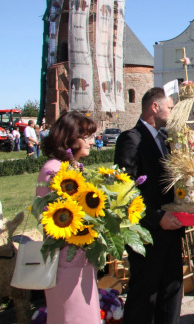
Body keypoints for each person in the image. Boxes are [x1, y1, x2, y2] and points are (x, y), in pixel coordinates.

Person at [114, 87, 184, 324]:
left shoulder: (166, 139)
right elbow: (126, 190)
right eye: (170, 107)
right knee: (145, 297)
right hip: (148, 233)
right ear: (155, 107)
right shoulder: (131, 138)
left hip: (172, 229)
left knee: (171, 291)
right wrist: (156, 217)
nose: (172, 112)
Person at [37, 111, 99, 323]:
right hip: (64, 264)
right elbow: (51, 219)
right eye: (87, 137)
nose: (92, 141)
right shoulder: (53, 170)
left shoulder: (74, 168)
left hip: (82, 259)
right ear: (72, 139)